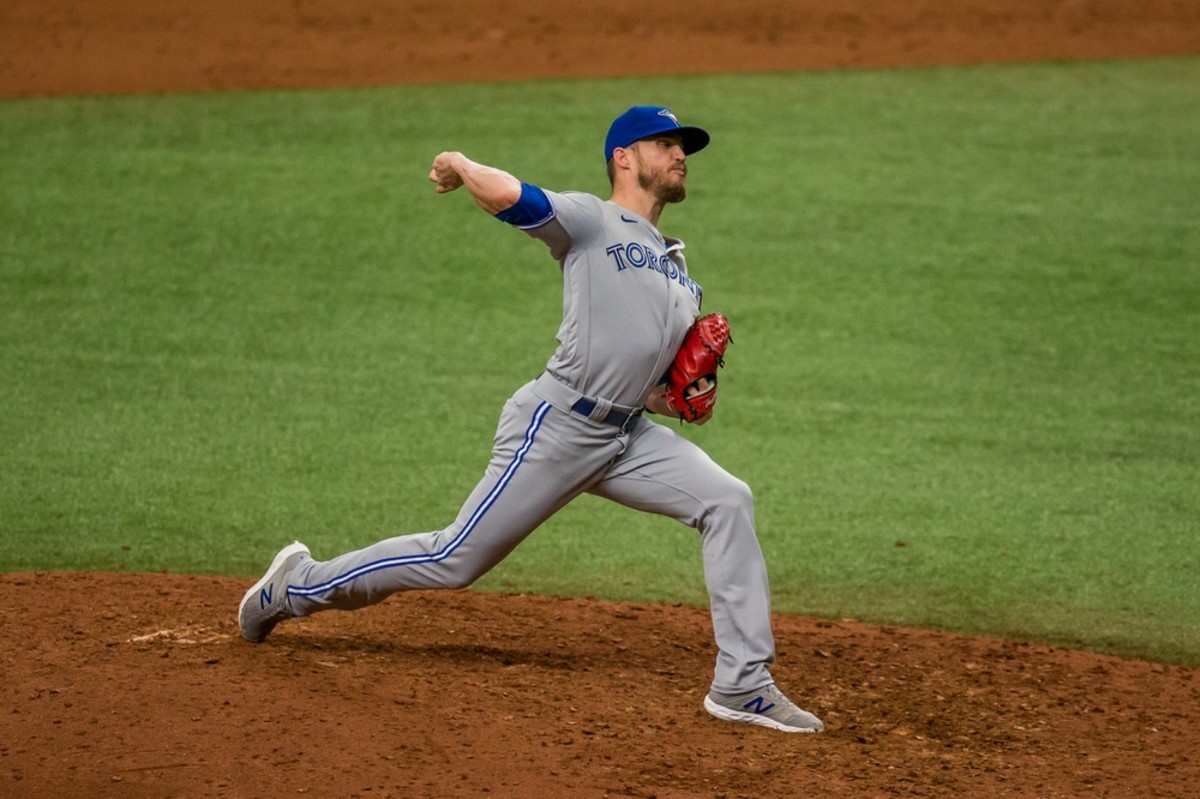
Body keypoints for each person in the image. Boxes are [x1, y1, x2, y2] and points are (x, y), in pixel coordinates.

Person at [238, 105, 825, 734]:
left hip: (627, 436)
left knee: (727, 500)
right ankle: (295, 585)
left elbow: (651, 386)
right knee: (454, 559)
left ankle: (743, 684)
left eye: (683, 146)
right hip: (558, 425)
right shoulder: (592, 220)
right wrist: (461, 164)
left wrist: (676, 397)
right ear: (624, 157)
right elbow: (513, 197)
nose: (680, 154)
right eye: (664, 143)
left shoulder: (681, 273)